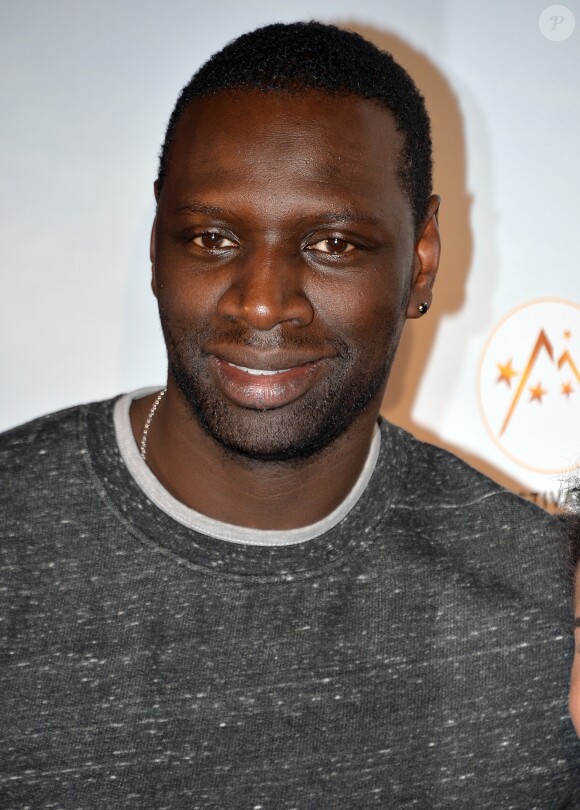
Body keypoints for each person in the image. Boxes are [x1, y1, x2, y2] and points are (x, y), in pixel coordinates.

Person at [1, 21, 578, 809]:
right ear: (155, 242)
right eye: (212, 237)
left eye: (334, 243)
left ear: (423, 260)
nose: (264, 300)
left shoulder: (547, 612)